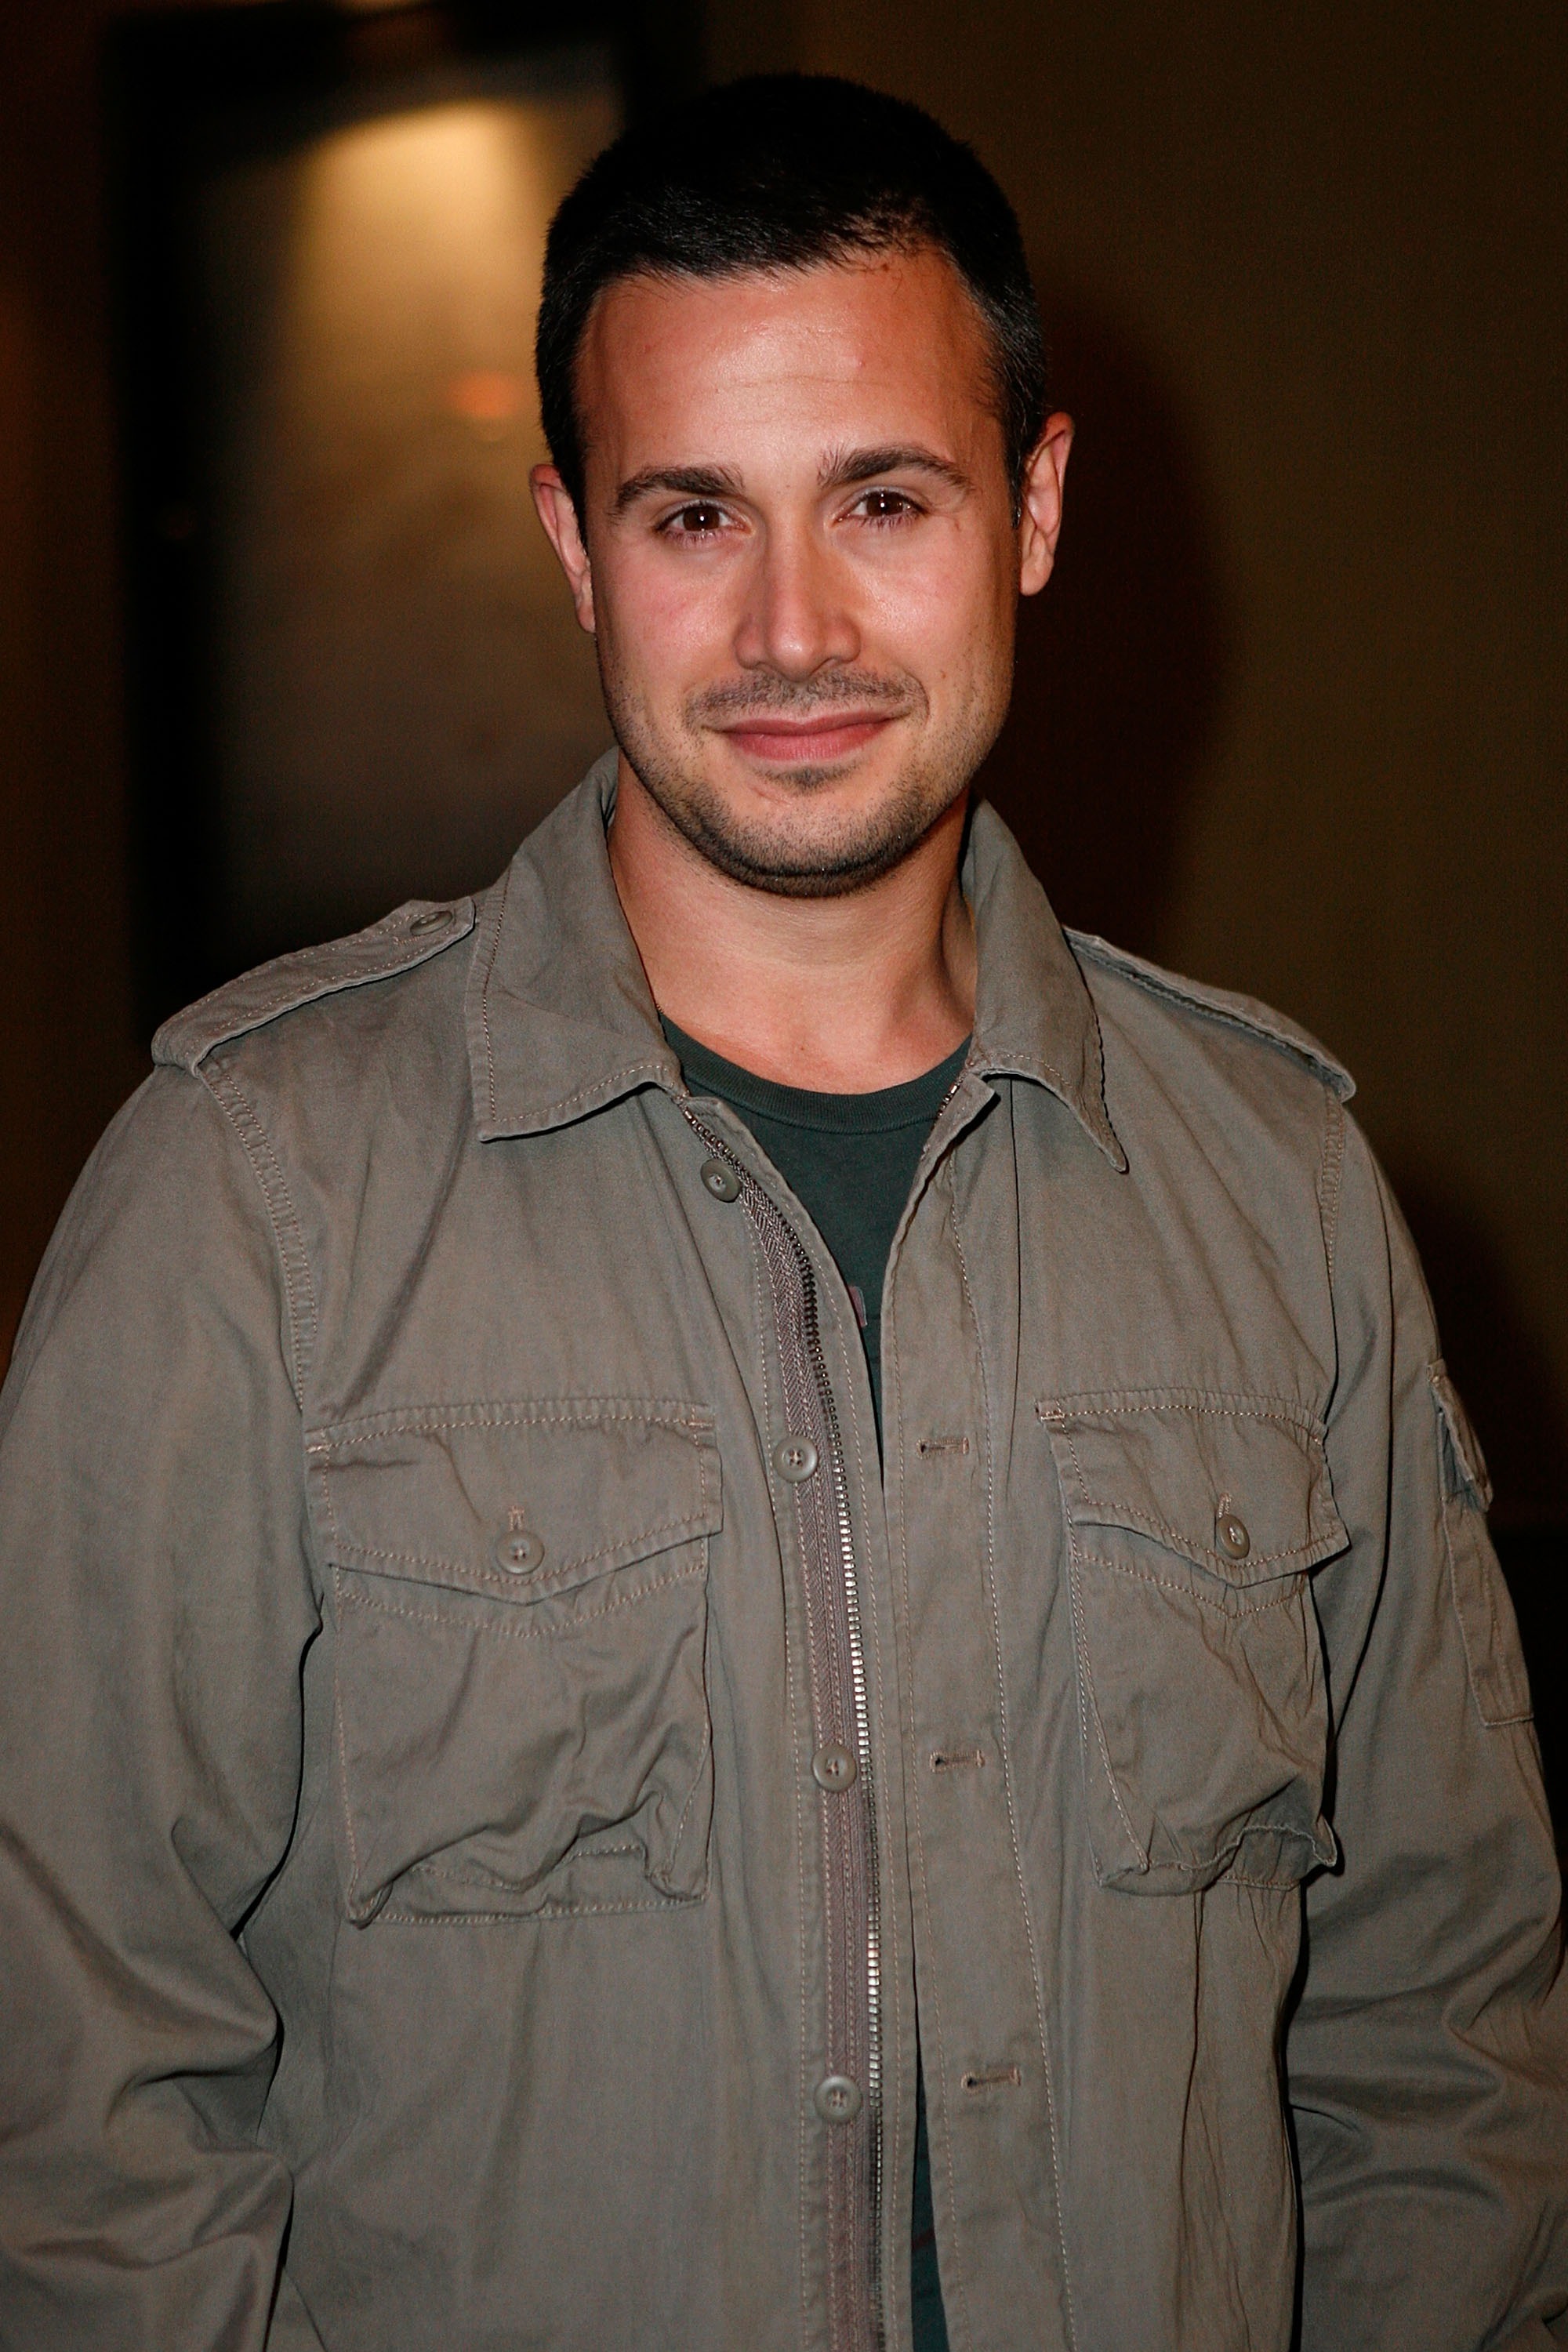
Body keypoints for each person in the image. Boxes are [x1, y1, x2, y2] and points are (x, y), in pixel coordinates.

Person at [0, 72, 1563, 2352]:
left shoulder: (1282, 1190)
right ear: (572, 546)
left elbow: (1443, 2042)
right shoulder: (251, 1195)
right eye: (693, 516)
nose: (792, 628)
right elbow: (76, 2094)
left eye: (887, 498)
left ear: (1033, 506)